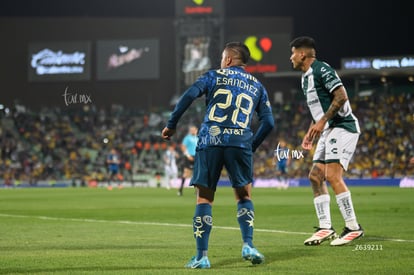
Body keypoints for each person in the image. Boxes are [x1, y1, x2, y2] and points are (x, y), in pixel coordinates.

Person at [161, 42, 274, 268]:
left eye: (223, 58)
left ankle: (202, 256)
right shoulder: (257, 86)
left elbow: (188, 96)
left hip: (210, 140)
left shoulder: (213, 76)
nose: (221, 62)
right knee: (244, 196)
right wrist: (250, 146)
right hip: (240, 142)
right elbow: (269, 122)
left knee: (204, 198)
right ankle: (248, 245)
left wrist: (172, 124)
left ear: (229, 60)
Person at [289, 36, 364, 246]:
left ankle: (353, 227)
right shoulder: (305, 78)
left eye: (293, 53)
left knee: (332, 175)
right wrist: (310, 131)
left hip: (343, 126)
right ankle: (325, 228)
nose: (291, 57)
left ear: (302, 54)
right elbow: (319, 109)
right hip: (327, 129)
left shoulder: (322, 69)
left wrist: (321, 122)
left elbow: (341, 96)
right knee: (315, 176)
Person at [177, 125, 198, 196]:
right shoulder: (187, 138)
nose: (193, 131)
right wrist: (188, 155)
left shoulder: (197, 138)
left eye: (194, 130)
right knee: (186, 173)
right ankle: (180, 190)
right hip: (189, 157)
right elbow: (183, 147)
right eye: (191, 130)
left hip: (196, 157)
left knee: (197, 174)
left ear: (196, 130)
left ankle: (197, 191)